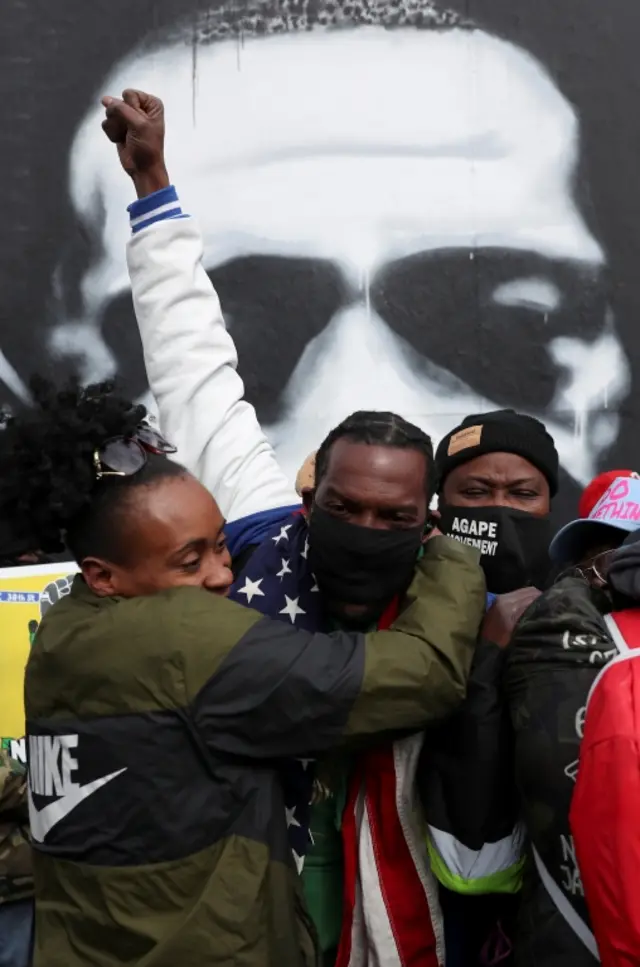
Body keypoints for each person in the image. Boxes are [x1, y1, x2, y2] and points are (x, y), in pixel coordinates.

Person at [101, 88, 496, 966]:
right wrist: (154, 187)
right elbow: (192, 362)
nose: (364, 528)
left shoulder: (464, 604)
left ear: (428, 519)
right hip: (248, 905)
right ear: (306, 493)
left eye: (392, 516)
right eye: (343, 508)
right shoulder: (256, 525)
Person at [0, 376, 485, 967]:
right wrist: (452, 556)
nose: (222, 577)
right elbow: (424, 674)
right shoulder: (177, 639)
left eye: (220, 546)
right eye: (188, 561)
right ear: (103, 574)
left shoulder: (65, 627)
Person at [416, 410, 558, 965]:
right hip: (434, 892)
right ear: (441, 503)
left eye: (523, 493)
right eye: (476, 491)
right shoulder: (401, 601)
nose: (500, 507)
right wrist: (489, 654)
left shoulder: (582, 610)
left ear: (549, 504)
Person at [503, 473, 640, 967]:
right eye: (604, 548)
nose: (615, 565)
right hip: (579, 932)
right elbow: (579, 798)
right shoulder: (561, 617)